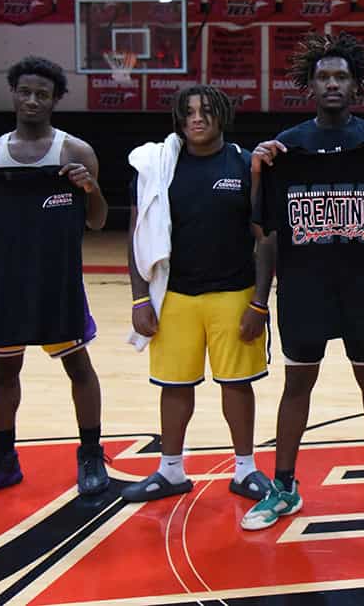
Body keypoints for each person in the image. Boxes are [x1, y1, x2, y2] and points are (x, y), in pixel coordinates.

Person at [242, 32, 364, 529]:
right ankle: (283, 487)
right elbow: (262, 226)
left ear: (356, 85)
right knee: (296, 384)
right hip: (304, 286)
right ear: (310, 84)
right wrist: (260, 169)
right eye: (323, 76)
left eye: (340, 76)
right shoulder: (288, 146)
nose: (331, 83)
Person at [0, 56, 109, 501]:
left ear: (55, 101)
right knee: (4, 369)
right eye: (25, 92)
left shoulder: (75, 151)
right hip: (7, 279)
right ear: (13, 94)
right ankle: (2, 459)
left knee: (78, 366)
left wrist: (90, 188)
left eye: (42, 94)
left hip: (56, 277)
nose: (32, 100)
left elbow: (98, 222)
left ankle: (91, 453)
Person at [120, 85, 276, 504]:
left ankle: (245, 470)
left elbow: (265, 239)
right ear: (178, 118)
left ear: (222, 116)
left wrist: (260, 303)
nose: (197, 118)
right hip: (173, 297)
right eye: (189, 112)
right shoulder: (157, 166)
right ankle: (170, 471)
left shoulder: (246, 165)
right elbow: (137, 235)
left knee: (238, 384)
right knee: (174, 386)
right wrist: (139, 299)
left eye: (207, 111)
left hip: (234, 294)